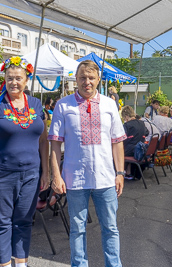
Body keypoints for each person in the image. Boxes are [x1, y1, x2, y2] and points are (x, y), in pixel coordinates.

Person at [48, 60, 126, 267]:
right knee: (77, 229)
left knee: (110, 228)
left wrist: (120, 172)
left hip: (106, 178)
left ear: (98, 79)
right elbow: (55, 144)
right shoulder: (63, 105)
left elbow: (117, 141)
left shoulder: (110, 104)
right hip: (75, 178)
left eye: (91, 78)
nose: (87, 82)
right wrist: (56, 175)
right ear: (76, 79)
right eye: (82, 77)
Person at [0, 56, 49, 267]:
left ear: (27, 80)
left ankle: (22, 264)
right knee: (1, 224)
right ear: (4, 79)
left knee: (24, 221)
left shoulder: (36, 104)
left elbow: (43, 141)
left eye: (18, 78)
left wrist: (46, 172)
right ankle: (5, 264)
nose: (14, 82)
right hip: (1, 174)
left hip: (31, 175)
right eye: (9, 78)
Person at [122, 106, 149, 180]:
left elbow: (121, 137)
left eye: (124, 117)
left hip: (130, 150)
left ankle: (121, 172)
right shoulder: (141, 123)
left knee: (117, 150)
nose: (124, 119)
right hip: (140, 149)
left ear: (126, 116)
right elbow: (147, 132)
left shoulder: (127, 125)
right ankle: (128, 172)